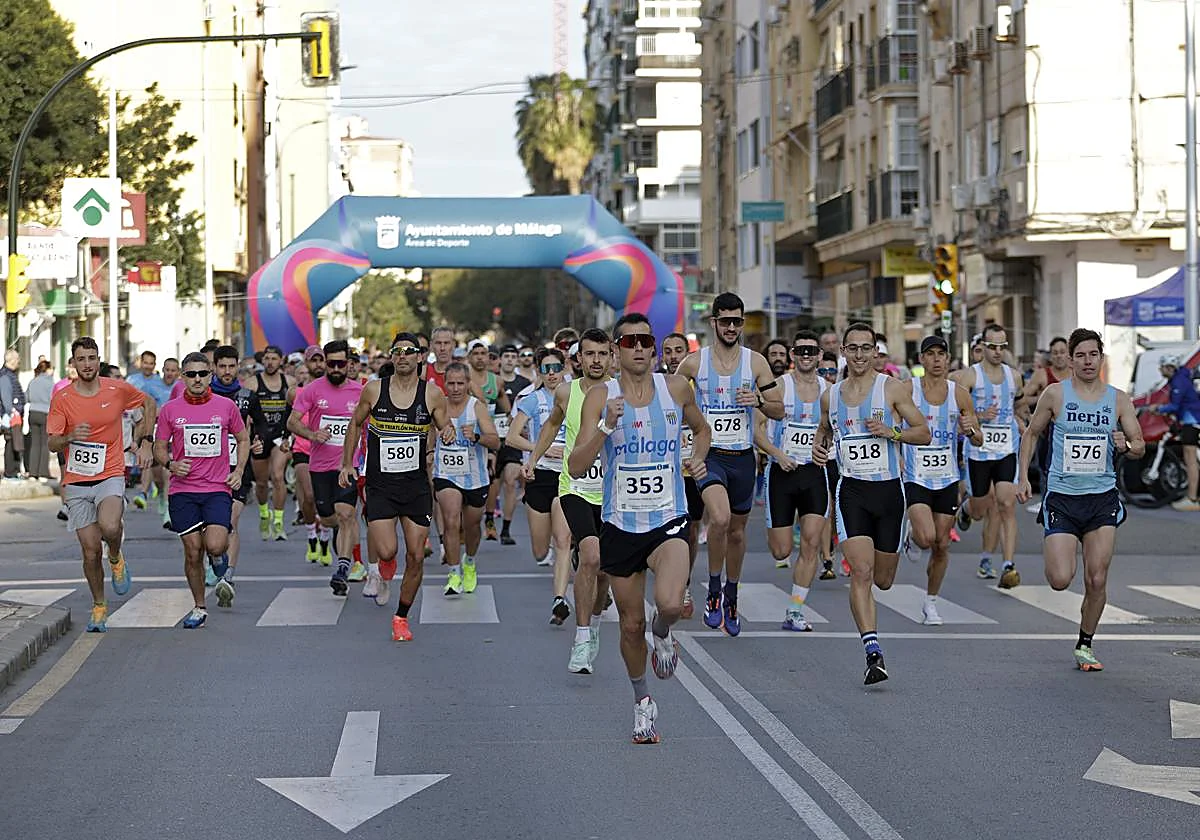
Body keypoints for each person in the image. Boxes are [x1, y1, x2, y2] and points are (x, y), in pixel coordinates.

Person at [568, 312, 710, 744]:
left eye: (646, 341)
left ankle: (663, 634)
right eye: (629, 342)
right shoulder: (600, 397)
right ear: (616, 351)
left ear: (654, 348)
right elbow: (576, 466)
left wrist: (698, 457)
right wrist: (605, 427)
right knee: (630, 625)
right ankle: (642, 702)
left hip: (668, 518)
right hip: (620, 523)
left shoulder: (676, 388)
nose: (639, 349)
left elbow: (702, 430)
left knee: (669, 604)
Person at [1016, 328, 1144, 671]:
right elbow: (1031, 434)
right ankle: (1057, 545)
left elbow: (1139, 445)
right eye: (1081, 355)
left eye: (1093, 355)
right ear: (1071, 360)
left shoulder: (1118, 399)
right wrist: (1023, 477)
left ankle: (1085, 644)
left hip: (1102, 498)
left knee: (1097, 579)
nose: (1088, 361)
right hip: (1062, 497)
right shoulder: (1056, 394)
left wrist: (1126, 446)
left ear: (1101, 358)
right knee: (1060, 579)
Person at [812, 322, 930, 684]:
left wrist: (892, 432)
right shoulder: (831, 396)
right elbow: (824, 430)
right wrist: (819, 447)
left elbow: (923, 433)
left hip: (889, 492)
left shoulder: (891, 388)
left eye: (867, 348)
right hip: (852, 492)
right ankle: (872, 651)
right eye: (854, 348)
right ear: (843, 352)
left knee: (884, 580)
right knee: (861, 572)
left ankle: (903, 538)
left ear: (875, 352)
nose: (860, 355)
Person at [674, 292, 784, 636]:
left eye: (737, 321)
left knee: (736, 532)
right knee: (719, 519)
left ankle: (731, 594)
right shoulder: (694, 363)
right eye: (725, 321)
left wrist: (759, 400)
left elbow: (779, 409)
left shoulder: (756, 363)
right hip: (711, 457)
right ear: (714, 323)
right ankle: (713, 588)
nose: (732, 327)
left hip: (743, 459)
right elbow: (671, 403)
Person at [340, 333, 456, 641]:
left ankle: (401, 617)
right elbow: (355, 423)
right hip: (380, 485)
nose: (403, 355)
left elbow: (445, 424)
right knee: (387, 549)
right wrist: (347, 463)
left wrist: (448, 432)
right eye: (397, 351)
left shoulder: (432, 393)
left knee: (416, 556)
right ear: (392, 357)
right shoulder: (374, 390)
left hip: (415, 486)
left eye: (409, 351)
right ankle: (386, 562)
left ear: (420, 357)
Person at [48, 337, 155, 632]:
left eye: (91, 358)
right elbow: (52, 442)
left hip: (110, 473)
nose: (87, 364)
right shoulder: (63, 398)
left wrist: (146, 441)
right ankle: (99, 606)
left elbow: (148, 403)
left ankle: (116, 556)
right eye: (81, 359)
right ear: (73, 363)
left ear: (98, 360)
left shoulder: (116, 389)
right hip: (77, 480)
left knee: (109, 527)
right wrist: (69, 437)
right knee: (90, 551)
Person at [526, 328, 614, 674]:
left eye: (602, 354)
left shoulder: (621, 393)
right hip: (574, 487)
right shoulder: (566, 391)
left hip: (612, 493)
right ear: (578, 359)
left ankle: (594, 625)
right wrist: (534, 458)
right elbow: (551, 426)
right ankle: (581, 638)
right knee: (590, 555)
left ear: (611, 357)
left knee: (603, 570)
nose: (596, 360)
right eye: (589, 354)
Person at [153, 352, 249, 628]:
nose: (197, 379)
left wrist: (238, 472)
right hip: (183, 491)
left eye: (203, 374)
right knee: (193, 552)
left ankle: (218, 558)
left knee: (215, 544)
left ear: (211, 376)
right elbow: (159, 447)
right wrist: (171, 464)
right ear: (183, 377)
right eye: (191, 374)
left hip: (217, 488)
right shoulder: (170, 409)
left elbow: (243, 439)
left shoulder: (226, 406)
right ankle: (199, 607)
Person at [901, 336, 984, 625]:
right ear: (921, 359)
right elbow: (890, 424)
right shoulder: (907, 390)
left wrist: (970, 430)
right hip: (916, 475)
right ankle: (912, 536)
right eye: (930, 354)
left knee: (942, 544)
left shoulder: (959, 394)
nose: (936, 359)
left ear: (948, 359)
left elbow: (979, 438)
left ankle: (931, 602)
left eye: (941, 354)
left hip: (947, 477)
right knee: (926, 538)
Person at [754, 330, 829, 631]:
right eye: (800, 351)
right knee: (781, 551)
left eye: (811, 351)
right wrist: (777, 454)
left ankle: (795, 611)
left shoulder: (830, 391)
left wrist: (828, 448)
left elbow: (839, 427)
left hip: (815, 473)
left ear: (820, 355)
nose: (806, 356)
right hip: (781, 473)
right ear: (792, 356)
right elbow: (757, 430)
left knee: (811, 542)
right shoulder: (779, 388)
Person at [952, 323, 1027, 587]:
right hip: (978, 451)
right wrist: (980, 417)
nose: (997, 351)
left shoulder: (1014, 377)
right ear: (982, 347)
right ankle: (966, 508)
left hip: (1006, 449)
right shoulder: (969, 377)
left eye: (1002, 347)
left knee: (1006, 504)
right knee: (980, 510)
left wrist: (1020, 419)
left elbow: (1019, 403)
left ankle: (1008, 565)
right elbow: (958, 413)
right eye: (992, 346)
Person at [287, 340, 364, 596]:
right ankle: (338, 532)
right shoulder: (312, 390)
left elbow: (371, 425)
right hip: (320, 466)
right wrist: (312, 434)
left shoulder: (360, 391)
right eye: (331, 364)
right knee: (330, 519)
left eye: (341, 364)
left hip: (347, 465)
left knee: (346, 514)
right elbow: (292, 422)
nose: (336, 369)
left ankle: (342, 569)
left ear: (349, 364)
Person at [507, 347, 573, 623]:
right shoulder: (532, 400)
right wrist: (540, 448)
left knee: (563, 540)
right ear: (538, 371)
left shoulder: (577, 395)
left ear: (564, 368)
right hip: (540, 475)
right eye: (546, 369)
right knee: (540, 551)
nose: (552, 374)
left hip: (568, 476)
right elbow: (511, 437)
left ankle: (559, 599)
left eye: (556, 368)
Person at [433, 362, 500, 596]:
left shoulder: (477, 407)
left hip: (475, 477)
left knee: (472, 525)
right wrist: (430, 450)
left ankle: (469, 561)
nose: (455, 388)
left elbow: (495, 441)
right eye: (451, 383)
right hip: (446, 474)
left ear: (468, 384)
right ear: (444, 383)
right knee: (451, 520)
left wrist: (477, 436)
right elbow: (427, 434)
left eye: (460, 383)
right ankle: (453, 574)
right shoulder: (438, 406)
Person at [211, 345, 260, 601]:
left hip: (238, 467)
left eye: (232, 366)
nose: (227, 371)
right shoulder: (204, 393)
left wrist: (259, 441)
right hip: (207, 469)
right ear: (214, 367)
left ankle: (228, 575)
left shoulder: (247, 396)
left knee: (231, 521)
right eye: (222, 366)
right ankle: (215, 557)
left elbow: (261, 425)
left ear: (238, 366)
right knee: (211, 525)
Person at [247, 345, 294, 540]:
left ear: (281, 361)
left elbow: (298, 409)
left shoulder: (289, 382)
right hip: (260, 437)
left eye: (274, 358)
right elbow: (244, 412)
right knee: (261, 483)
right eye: (267, 358)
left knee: (277, 476)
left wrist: (293, 434)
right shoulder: (252, 383)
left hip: (281, 436)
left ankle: (278, 521)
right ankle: (265, 514)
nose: (270, 362)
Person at [466, 340, 511, 542]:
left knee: (490, 474)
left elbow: (507, 408)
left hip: (488, 435)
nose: (480, 357)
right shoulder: (463, 379)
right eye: (475, 353)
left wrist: (511, 421)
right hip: (467, 434)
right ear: (469, 357)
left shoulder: (497, 381)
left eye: (483, 353)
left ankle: (490, 519)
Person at [290, 345, 329, 563]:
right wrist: (286, 439)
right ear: (306, 363)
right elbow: (289, 419)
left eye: (320, 360)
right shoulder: (296, 393)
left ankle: (325, 537)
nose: (318, 364)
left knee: (326, 500)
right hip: (303, 449)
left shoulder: (334, 389)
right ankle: (311, 535)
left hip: (327, 451)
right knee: (309, 496)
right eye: (313, 360)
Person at [1152, 354, 1200, 510]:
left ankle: (1192, 499)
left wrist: (1158, 409)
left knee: (1190, 460)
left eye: (1162, 367)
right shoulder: (1180, 379)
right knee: (1191, 459)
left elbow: (1175, 405)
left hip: (1192, 420)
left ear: (1169, 367)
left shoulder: (1179, 381)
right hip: (1190, 419)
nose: (1160, 370)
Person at [495, 343, 531, 545]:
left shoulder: (525, 384)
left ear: (516, 360)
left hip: (514, 443)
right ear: (500, 359)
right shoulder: (492, 381)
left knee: (510, 481)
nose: (509, 359)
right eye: (506, 356)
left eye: (512, 356)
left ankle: (506, 530)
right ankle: (489, 518)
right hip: (492, 440)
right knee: (492, 485)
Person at [23, 360, 54, 480]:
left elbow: (26, 397)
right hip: (45, 412)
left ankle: (33, 472)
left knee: (34, 443)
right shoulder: (50, 383)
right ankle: (43, 472)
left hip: (33, 413)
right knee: (44, 443)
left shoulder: (33, 381)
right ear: (47, 369)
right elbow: (53, 399)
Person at [1, 349, 27, 478]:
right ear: (11, 360)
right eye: (17, 359)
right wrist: (11, 411)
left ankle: (14, 471)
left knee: (15, 443)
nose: (19, 362)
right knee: (11, 443)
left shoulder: (10, 374)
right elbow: (6, 397)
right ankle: (10, 472)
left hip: (14, 414)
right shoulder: (6, 376)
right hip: (11, 416)